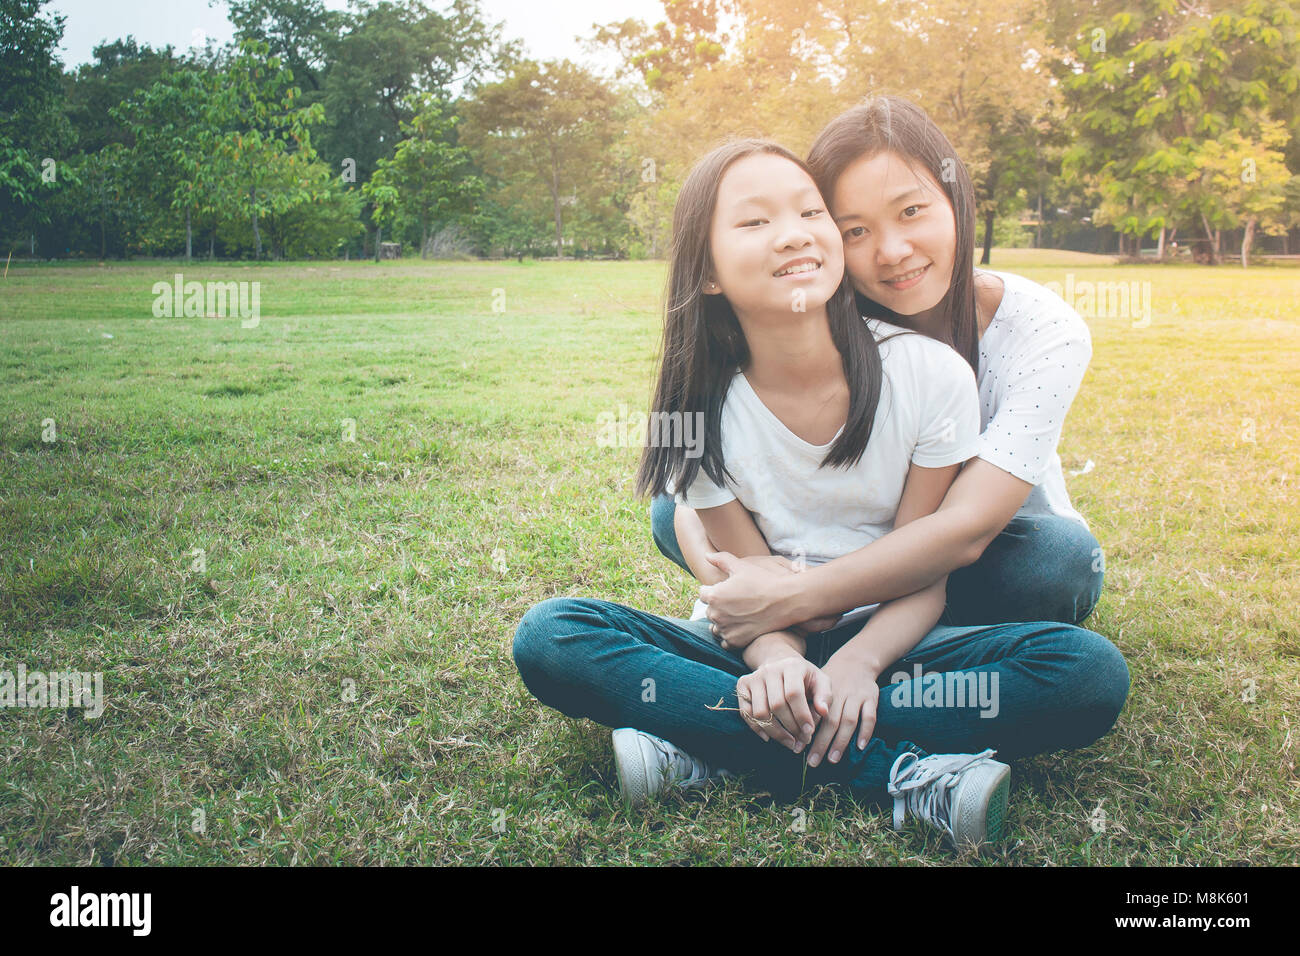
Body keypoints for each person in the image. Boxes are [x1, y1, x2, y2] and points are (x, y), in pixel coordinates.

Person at [512, 139, 1129, 852]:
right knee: (551, 635)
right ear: (705, 271)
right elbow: (747, 573)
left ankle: (707, 743)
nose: (794, 233)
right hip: (760, 644)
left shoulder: (930, 375)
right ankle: (901, 774)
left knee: (1086, 674)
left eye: (811, 213)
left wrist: (859, 663)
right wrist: (779, 661)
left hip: (898, 641)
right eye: (755, 222)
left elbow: (924, 571)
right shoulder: (695, 408)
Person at [652, 95, 1105, 648]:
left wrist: (796, 597)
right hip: (833, 544)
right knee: (672, 510)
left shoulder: (1043, 330)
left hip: (986, 544)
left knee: (1059, 560)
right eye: (855, 231)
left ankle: (849, 630)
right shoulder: (819, 303)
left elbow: (965, 528)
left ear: (957, 198)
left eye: (911, 211)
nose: (892, 252)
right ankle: (838, 629)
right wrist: (729, 561)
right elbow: (705, 470)